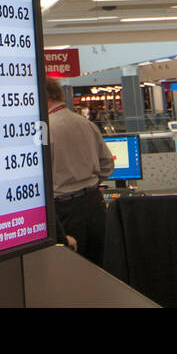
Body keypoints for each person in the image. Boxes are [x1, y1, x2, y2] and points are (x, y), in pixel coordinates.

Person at [46, 78, 114, 266]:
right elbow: (108, 164)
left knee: (71, 270)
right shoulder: (86, 124)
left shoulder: (43, 128)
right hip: (94, 203)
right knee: (99, 266)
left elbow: (40, 176)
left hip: (64, 211)